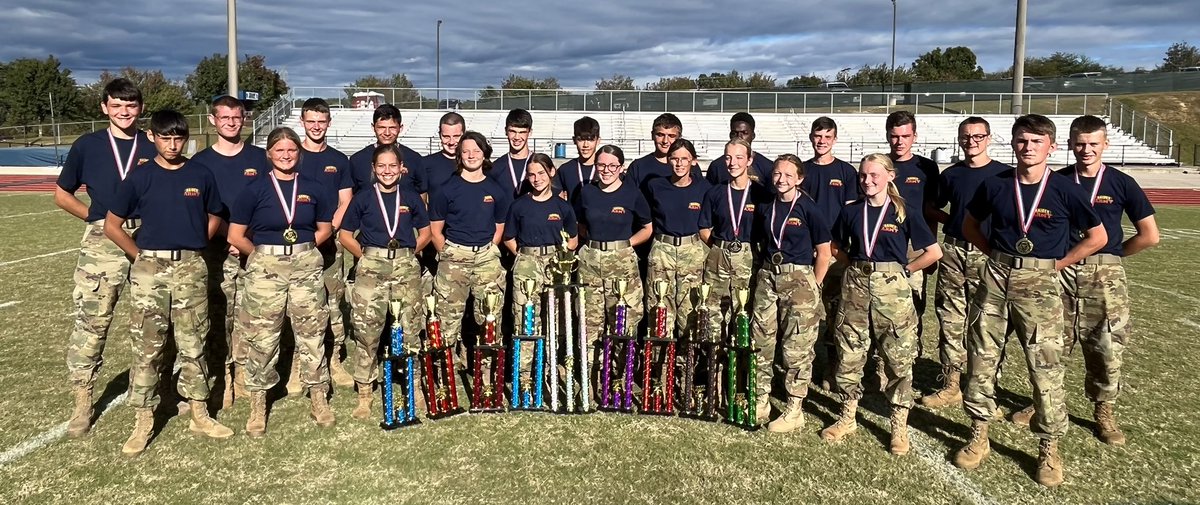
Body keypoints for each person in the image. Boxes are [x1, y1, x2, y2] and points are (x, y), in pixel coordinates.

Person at [953, 114, 1107, 488]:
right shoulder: (996, 185)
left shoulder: (1066, 190)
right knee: (981, 357)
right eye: (1022, 140)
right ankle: (979, 432)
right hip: (996, 276)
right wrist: (994, 254)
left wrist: (1058, 264)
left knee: (1045, 365)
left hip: (1040, 282)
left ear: (1051, 146)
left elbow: (1098, 236)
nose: (1028, 147)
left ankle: (1049, 446)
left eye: (1036, 141)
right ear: (1013, 143)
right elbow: (970, 225)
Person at [1006, 115, 1159, 446]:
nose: (1086, 150)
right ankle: (1043, 403)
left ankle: (1103, 410)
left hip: (1104, 275)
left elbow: (1149, 236)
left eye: (1093, 143)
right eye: (1080, 143)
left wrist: (1113, 256)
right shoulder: (1056, 181)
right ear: (1070, 145)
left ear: (1106, 144)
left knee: (1106, 344)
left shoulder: (1121, 182)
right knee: (1050, 342)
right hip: (1059, 271)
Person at [103, 110, 233, 455]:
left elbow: (216, 212)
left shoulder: (200, 174)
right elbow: (111, 225)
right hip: (150, 270)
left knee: (195, 343)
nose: (173, 145)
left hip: (191, 267)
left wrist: (198, 239)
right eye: (166, 138)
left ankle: (200, 412)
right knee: (148, 347)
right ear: (153, 138)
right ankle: (144, 420)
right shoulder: (140, 177)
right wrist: (140, 257)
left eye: (178, 138)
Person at [55, 78, 159, 437]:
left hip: (148, 236)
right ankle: (83, 402)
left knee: (150, 322)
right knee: (92, 322)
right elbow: (62, 194)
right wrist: (94, 220)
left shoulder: (153, 142)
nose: (124, 112)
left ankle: (147, 397)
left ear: (140, 108)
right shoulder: (89, 145)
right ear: (104, 108)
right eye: (117, 106)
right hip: (102, 242)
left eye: (130, 106)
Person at [820, 153, 942, 456]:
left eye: (874, 175)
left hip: (893, 290)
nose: (867, 181)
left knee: (897, 357)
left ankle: (898, 425)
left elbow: (933, 251)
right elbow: (835, 246)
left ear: (890, 177)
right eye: (863, 176)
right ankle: (847, 416)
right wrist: (856, 267)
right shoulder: (851, 211)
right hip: (856, 287)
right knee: (850, 351)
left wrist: (906, 271)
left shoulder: (904, 212)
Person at [228, 127, 337, 436]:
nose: (286, 155)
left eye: (291, 150)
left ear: (298, 153)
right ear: (269, 155)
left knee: (312, 333)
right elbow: (235, 235)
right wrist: (262, 256)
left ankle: (318, 397)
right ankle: (258, 404)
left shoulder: (314, 187)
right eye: (280, 150)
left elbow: (325, 227)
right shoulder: (254, 189)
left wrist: (304, 249)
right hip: (265, 267)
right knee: (262, 337)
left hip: (305, 264)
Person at [919, 117, 1008, 408]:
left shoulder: (1004, 175)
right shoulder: (952, 175)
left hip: (988, 253)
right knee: (950, 319)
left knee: (988, 322)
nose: (972, 141)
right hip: (955, 252)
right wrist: (957, 222)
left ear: (989, 138)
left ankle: (985, 386)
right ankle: (951, 384)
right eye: (966, 136)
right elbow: (932, 208)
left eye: (978, 136)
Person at [339, 143, 431, 420]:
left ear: (402, 169)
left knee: (411, 329)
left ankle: (413, 389)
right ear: (373, 169)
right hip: (371, 268)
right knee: (367, 331)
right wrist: (365, 258)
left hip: (405, 266)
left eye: (393, 166)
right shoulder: (364, 197)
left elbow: (425, 232)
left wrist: (406, 255)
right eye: (382, 166)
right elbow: (345, 234)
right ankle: (365, 392)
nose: (387, 171)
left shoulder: (412, 197)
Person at [191, 95, 270, 408]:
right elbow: (200, 209)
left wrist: (247, 239)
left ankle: (244, 377)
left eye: (236, 117)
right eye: (224, 118)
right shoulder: (200, 163)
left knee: (251, 318)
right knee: (218, 318)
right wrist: (231, 236)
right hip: (218, 252)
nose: (231, 123)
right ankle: (223, 378)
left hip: (253, 249)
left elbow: (269, 202)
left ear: (244, 119)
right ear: (213, 120)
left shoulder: (260, 158)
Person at [428, 131, 512, 406]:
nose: (471, 155)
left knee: (488, 322)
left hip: (486, 259)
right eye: (466, 151)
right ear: (459, 155)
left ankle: (487, 382)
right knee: (447, 323)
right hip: (454, 258)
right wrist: (451, 255)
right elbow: (435, 230)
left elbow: (499, 227)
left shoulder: (496, 189)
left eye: (477, 150)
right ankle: (444, 384)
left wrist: (485, 252)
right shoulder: (446, 189)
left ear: (485, 154)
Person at [753, 154, 831, 433]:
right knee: (761, 340)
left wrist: (814, 286)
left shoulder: (810, 209)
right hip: (768, 277)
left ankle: (794, 406)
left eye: (788, 175)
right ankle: (761, 397)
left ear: (799, 179)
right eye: (777, 174)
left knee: (796, 346)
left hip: (800, 280)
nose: (781, 179)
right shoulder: (766, 206)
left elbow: (824, 253)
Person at [572, 145, 653, 399]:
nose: (606, 171)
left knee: (622, 322)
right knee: (590, 322)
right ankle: (589, 382)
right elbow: (578, 224)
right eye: (601, 165)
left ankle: (619, 382)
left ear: (621, 167)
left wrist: (626, 245)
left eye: (612, 166)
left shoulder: (632, 194)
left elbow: (647, 227)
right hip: (591, 263)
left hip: (622, 264)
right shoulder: (586, 192)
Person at [503, 153, 579, 402]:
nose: (536, 179)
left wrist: (556, 260)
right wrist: (527, 259)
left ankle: (550, 372)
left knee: (553, 322)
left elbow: (573, 241)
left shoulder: (563, 206)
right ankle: (524, 378)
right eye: (531, 174)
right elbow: (509, 238)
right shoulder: (519, 206)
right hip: (527, 264)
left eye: (541, 173)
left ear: (551, 173)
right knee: (525, 322)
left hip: (554, 266)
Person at [297, 97, 355, 389]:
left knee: (333, 303)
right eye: (311, 122)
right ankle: (301, 363)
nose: (316, 127)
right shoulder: (292, 156)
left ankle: (335, 360)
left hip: (330, 243)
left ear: (329, 123)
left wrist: (329, 229)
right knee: (299, 306)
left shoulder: (338, 160)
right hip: (297, 246)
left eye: (321, 122)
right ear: (302, 123)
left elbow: (345, 200)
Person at [800, 116, 860, 390]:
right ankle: (803, 366)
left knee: (836, 312)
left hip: (835, 253)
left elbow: (851, 213)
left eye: (827, 137)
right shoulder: (802, 171)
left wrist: (841, 246)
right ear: (811, 137)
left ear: (834, 139)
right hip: (806, 254)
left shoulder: (846, 172)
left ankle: (832, 367)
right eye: (817, 136)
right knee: (806, 311)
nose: (821, 141)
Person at [698, 139, 771, 344]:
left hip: (749, 257)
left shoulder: (760, 194)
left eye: (739, 157)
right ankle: (716, 366)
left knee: (744, 311)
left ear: (749, 160)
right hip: (719, 255)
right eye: (728, 157)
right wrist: (721, 250)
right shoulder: (715, 192)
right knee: (714, 310)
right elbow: (704, 228)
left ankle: (740, 369)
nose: (733, 163)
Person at [645, 139, 712, 340]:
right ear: (668, 160)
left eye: (684, 159)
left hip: (692, 251)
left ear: (693, 161)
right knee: (659, 307)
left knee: (690, 310)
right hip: (662, 250)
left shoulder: (705, 188)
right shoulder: (655, 186)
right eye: (675, 159)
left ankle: (685, 365)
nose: (679, 164)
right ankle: (659, 365)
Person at [884, 111, 942, 341]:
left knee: (914, 299)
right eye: (895, 136)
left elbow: (931, 211)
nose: (900, 142)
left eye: (905, 136)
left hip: (914, 244)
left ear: (914, 137)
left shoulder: (927, 167)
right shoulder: (880, 164)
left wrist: (932, 248)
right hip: (884, 242)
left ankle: (911, 353)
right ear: (888, 136)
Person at [349, 104, 426, 195]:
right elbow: (350, 197)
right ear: (373, 127)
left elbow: (422, 197)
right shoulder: (357, 160)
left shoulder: (415, 159)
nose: (387, 133)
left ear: (400, 128)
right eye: (381, 128)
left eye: (392, 128)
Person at [627, 113, 702, 191]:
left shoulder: (689, 165)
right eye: (660, 135)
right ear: (652, 135)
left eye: (671, 136)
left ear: (679, 137)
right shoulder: (638, 166)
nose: (665, 141)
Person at [705, 112, 773, 189]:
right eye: (734, 133)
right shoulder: (716, 166)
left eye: (744, 133)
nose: (739, 137)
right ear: (730, 135)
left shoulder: (767, 166)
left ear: (753, 136)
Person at [490, 108, 535, 198]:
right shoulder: (495, 167)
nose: (517, 137)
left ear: (530, 133)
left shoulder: (540, 165)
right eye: (513, 131)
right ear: (506, 131)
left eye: (522, 132)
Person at [423, 112, 466, 199]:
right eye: (446, 136)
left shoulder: (473, 162)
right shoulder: (425, 164)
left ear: (464, 134)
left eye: (456, 136)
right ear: (440, 135)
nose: (451, 142)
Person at [557, 116, 601, 198]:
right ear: (574, 140)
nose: (585, 145)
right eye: (581, 140)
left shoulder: (605, 170)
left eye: (591, 140)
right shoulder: (565, 170)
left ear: (598, 141)